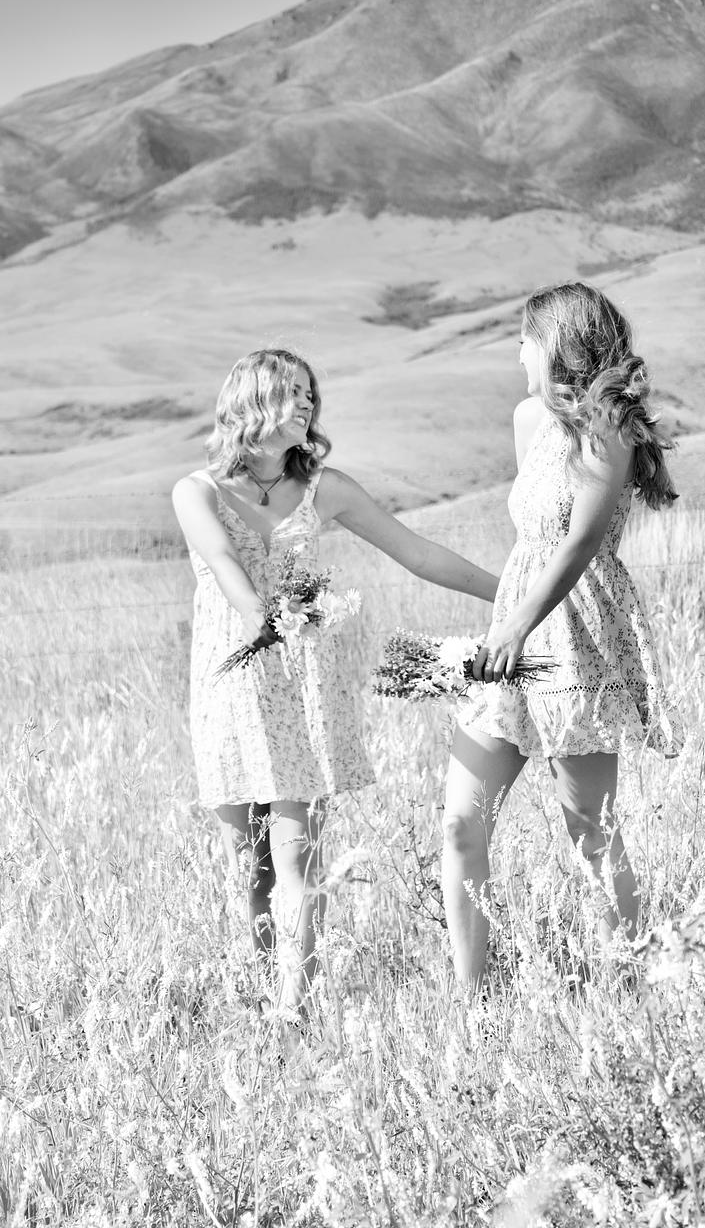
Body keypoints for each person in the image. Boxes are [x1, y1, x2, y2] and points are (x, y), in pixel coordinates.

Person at [172, 347, 498, 1023]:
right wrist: (261, 617)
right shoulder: (196, 492)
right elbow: (225, 562)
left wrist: (513, 596)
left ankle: (296, 1012)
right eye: (291, 390)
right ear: (252, 401)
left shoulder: (327, 488)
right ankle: (261, 999)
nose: (307, 402)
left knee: (297, 858)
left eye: (310, 393)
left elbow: (417, 553)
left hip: (303, 691)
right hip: (232, 689)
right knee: (248, 869)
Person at [442, 282, 684, 990]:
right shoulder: (529, 420)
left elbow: (579, 543)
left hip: (577, 633)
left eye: (524, 341)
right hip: (516, 630)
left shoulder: (609, 429)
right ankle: (471, 1004)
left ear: (556, 344)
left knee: (590, 829)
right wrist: (508, 623)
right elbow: (533, 538)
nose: (517, 355)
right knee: (461, 822)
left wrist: (519, 624)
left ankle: (626, 989)